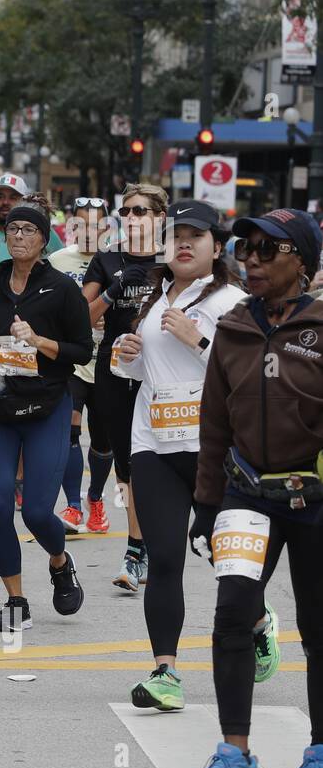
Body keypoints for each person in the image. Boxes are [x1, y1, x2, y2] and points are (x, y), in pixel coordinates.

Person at [182, 207, 323, 768]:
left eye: (271, 250)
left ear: (304, 262)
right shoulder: (236, 326)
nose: (254, 260)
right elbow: (213, 421)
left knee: (318, 628)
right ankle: (235, 755)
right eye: (249, 249)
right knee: (233, 616)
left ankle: (318, 759)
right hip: (246, 496)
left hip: (316, 499)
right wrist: (207, 504)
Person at [110, 201, 244, 714]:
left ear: (216, 246)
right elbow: (146, 375)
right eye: (176, 235)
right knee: (164, 559)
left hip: (213, 449)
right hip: (154, 445)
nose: (184, 243)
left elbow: (247, 374)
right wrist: (130, 356)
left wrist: (200, 339)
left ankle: (257, 623)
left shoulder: (232, 300)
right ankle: (165, 671)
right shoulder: (155, 296)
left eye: (196, 235)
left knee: (225, 558)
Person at [0, 200, 93, 631]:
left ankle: (60, 562)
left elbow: (84, 350)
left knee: (38, 512)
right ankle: (16, 599)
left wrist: (40, 341)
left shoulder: (62, 289)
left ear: (44, 239)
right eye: (13, 229)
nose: (19, 235)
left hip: (46, 407)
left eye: (29, 229)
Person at [83, 183, 168, 591]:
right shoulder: (107, 258)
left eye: (142, 212)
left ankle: (145, 546)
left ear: (160, 218)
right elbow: (82, 317)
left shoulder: (173, 259)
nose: (132, 219)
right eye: (127, 212)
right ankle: (138, 549)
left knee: (162, 459)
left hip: (164, 374)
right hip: (115, 371)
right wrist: (116, 290)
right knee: (129, 461)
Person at [51, 197, 114, 534]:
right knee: (69, 431)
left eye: (96, 224)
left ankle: (96, 499)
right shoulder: (58, 260)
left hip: (107, 363)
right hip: (72, 362)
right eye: (81, 224)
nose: (89, 231)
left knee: (104, 443)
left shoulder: (117, 261)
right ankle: (73, 505)